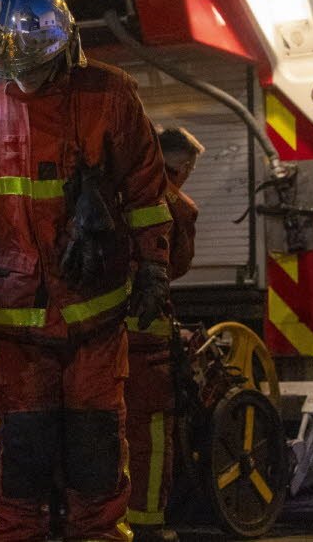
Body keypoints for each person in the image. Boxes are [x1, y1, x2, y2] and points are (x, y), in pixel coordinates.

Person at [0, 0, 173, 542]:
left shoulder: (110, 94)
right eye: (13, 68)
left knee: (96, 445)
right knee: (22, 449)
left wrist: (154, 266)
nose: (24, 78)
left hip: (95, 309)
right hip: (17, 316)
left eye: (34, 66)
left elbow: (145, 192)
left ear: (64, 48)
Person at [124, 126, 203, 542]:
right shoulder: (180, 206)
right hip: (146, 335)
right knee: (151, 431)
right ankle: (146, 521)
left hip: (94, 329)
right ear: (183, 166)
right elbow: (179, 265)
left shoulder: (115, 186)